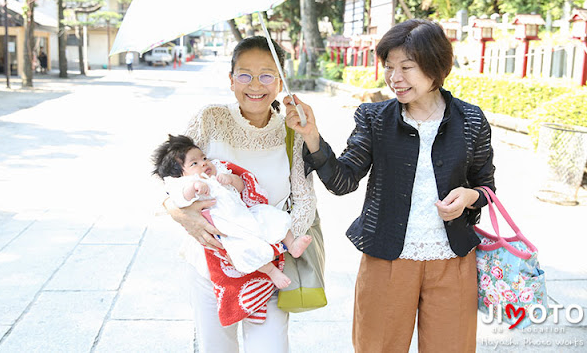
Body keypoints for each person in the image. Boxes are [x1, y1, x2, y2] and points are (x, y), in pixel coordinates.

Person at [284, 19, 495, 353]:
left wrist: (469, 196)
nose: (395, 78)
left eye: (407, 67)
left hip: (453, 261)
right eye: (389, 67)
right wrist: (311, 137)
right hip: (387, 259)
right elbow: (343, 181)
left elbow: (486, 188)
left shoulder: (470, 120)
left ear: (435, 66)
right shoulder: (374, 118)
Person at [161, 36, 318, 352]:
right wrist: (178, 212)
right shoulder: (210, 119)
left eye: (267, 74)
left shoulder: (291, 129)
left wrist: (272, 244)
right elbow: (171, 177)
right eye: (245, 74)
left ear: (279, 82)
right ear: (231, 80)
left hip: (268, 266)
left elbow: (305, 199)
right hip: (213, 265)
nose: (255, 84)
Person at [152, 134, 312, 289]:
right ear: (180, 175)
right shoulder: (185, 184)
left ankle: (292, 245)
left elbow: (242, 187)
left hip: (247, 215)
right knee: (245, 251)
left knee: (273, 216)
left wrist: (231, 180)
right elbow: (180, 199)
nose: (203, 163)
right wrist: (194, 188)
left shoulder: (219, 171)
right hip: (229, 229)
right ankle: (272, 271)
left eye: (203, 158)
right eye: (194, 163)